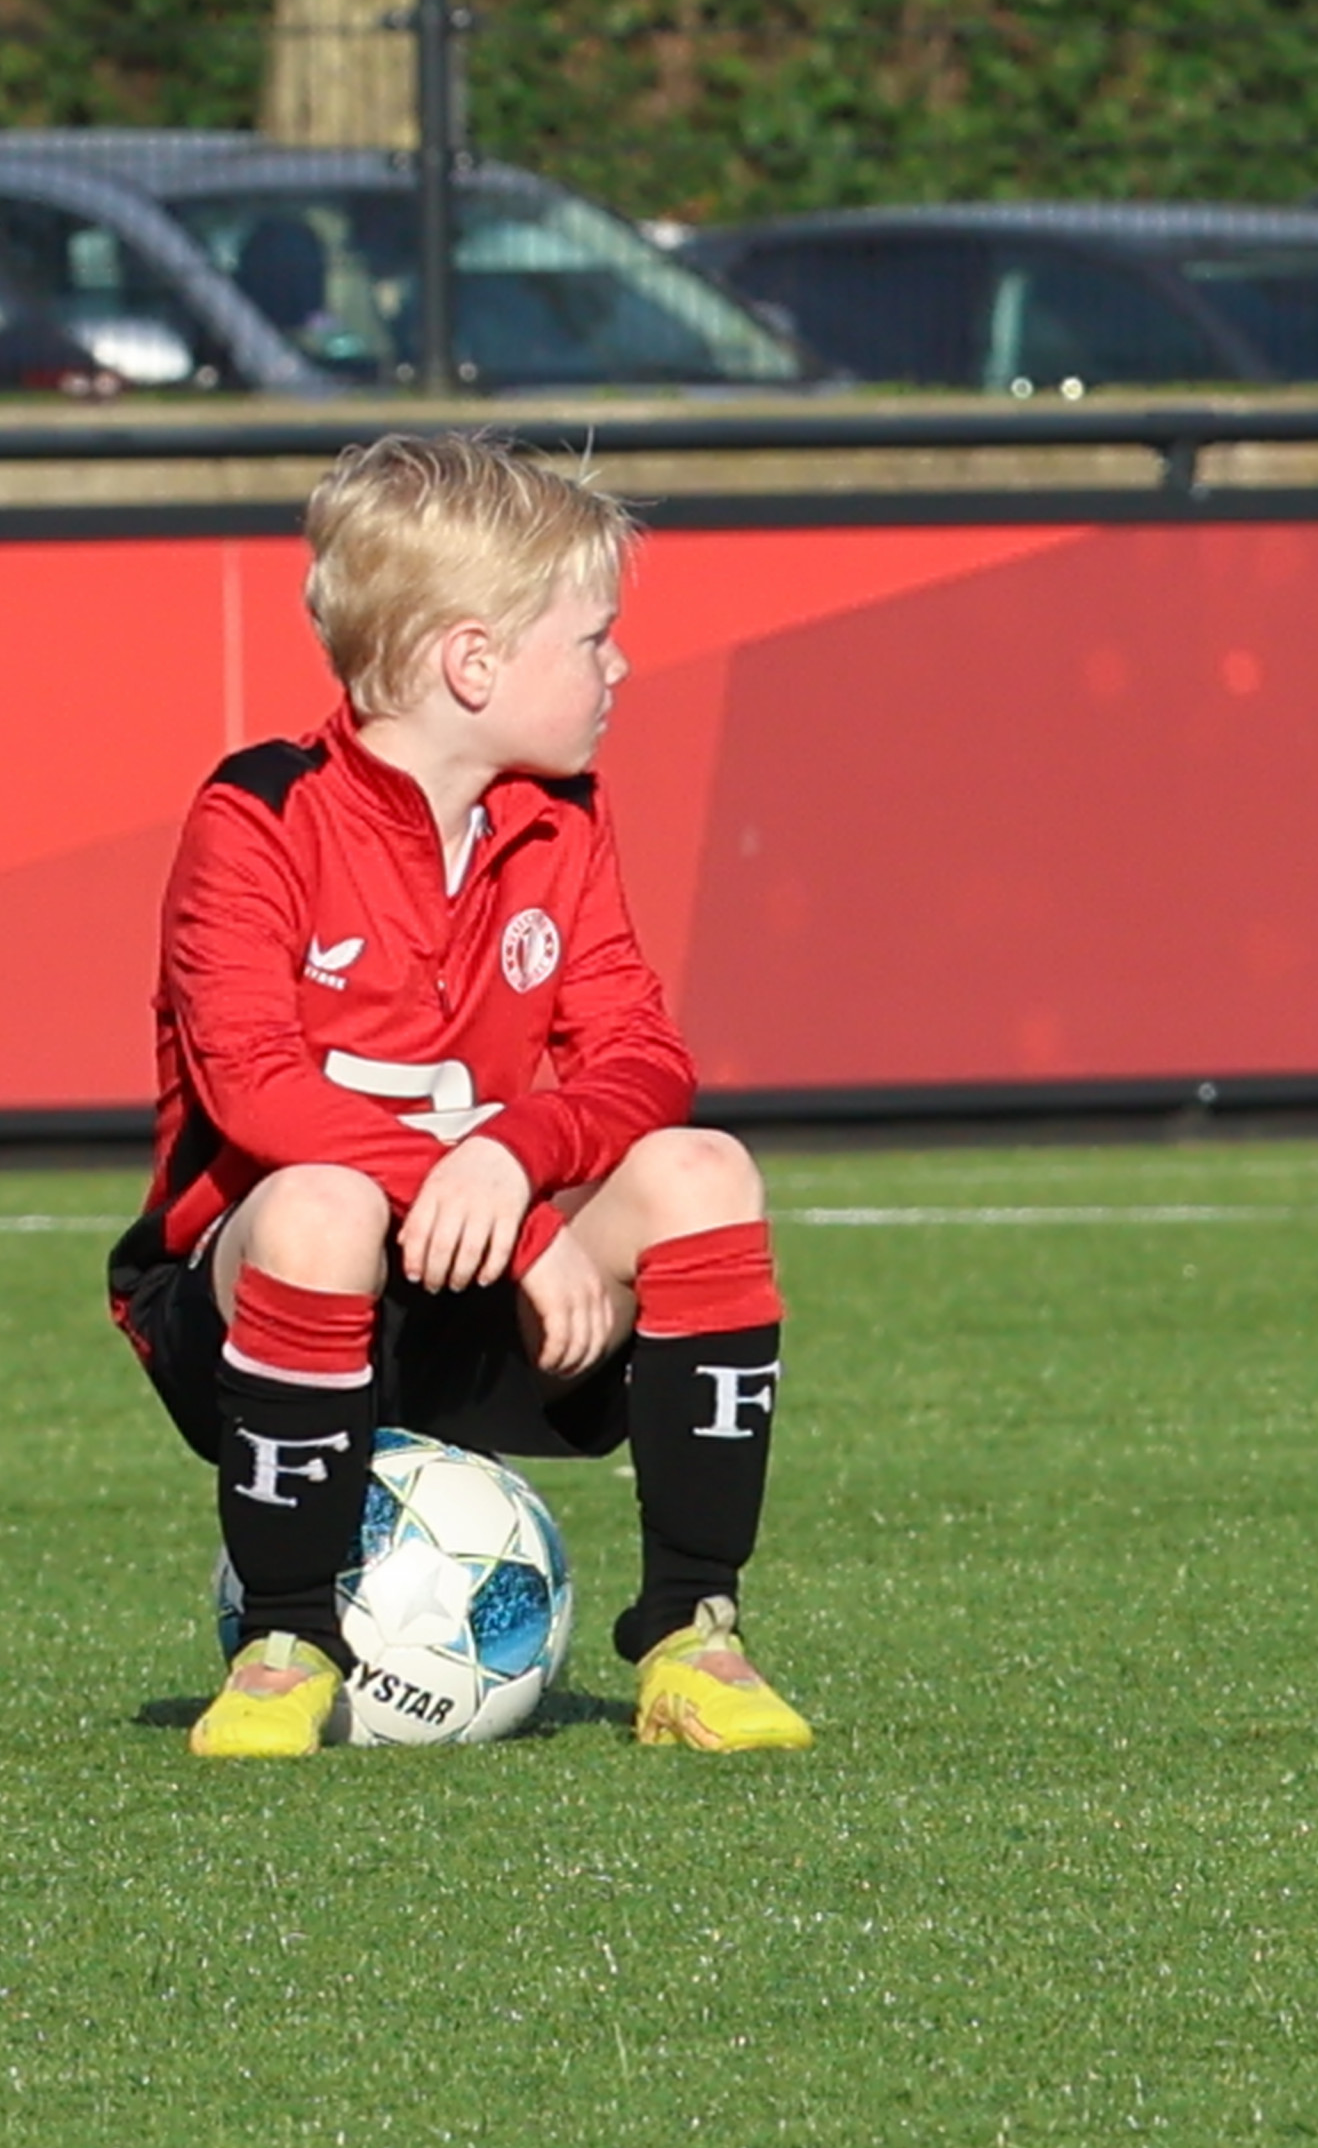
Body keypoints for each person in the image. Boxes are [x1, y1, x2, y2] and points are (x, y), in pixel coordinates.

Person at [107, 432, 813, 1758]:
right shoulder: (256, 816)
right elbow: (255, 1092)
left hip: (476, 1300)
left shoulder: (561, 818)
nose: (619, 665)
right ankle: (286, 1643)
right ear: (473, 664)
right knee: (317, 1202)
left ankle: (691, 1633)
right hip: (258, 1315)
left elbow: (642, 1057)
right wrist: (510, 1206)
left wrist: (522, 1155)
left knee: (704, 1170)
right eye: (591, 636)